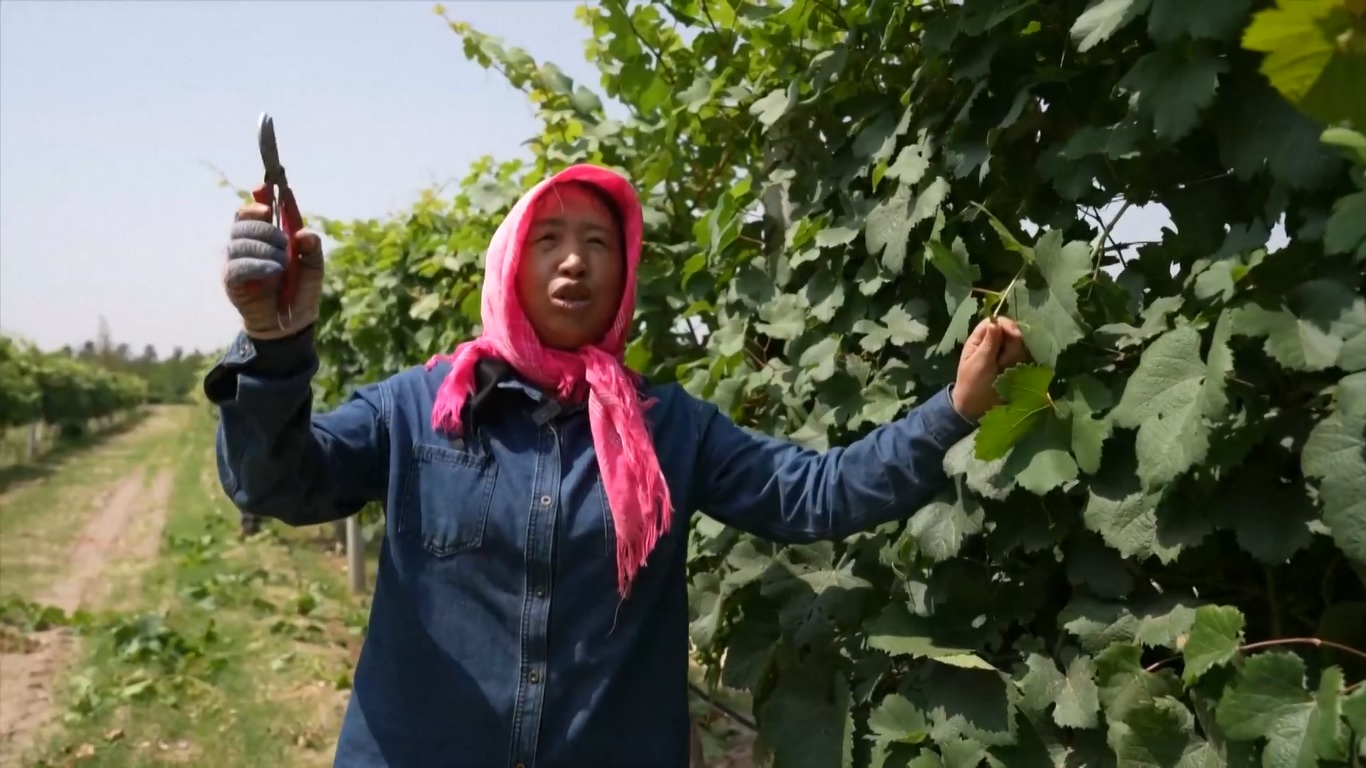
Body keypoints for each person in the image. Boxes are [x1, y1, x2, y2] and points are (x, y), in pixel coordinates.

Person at [204, 164, 1027, 768]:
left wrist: (950, 412)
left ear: (623, 273)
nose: (574, 262)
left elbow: (814, 494)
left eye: (599, 242)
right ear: (510, 264)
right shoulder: (417, 409)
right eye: (549, 240)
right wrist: (274, 351)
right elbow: (272, 482)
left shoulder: (672, 430)